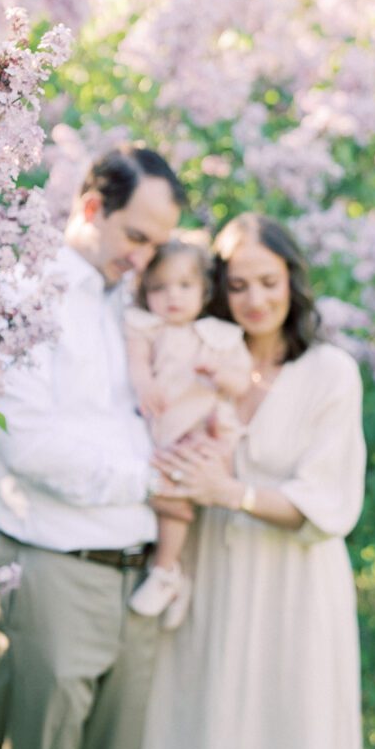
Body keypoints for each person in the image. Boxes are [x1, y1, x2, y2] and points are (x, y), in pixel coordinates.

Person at [132, 212, 368, 749]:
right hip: (209, 571)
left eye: (268, 281)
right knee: (196, 726)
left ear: (293, 279)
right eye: (237, 286)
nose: (255, 299)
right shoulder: (199, 355)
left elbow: (329, 504)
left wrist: (229, 491)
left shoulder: (330, 373)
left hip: (293, 584)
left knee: (289, 740)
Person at [0, 145, 184, 749]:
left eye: (157, 244)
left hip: (136, 584)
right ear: (92, 208)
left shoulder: (128, 306)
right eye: (136, 237)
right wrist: (152, 481)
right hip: (53, 576)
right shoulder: (21, 290)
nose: (145, 258)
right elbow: (28, 443)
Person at [125, 239, 251, 627]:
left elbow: (242, 382)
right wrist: (145, 385)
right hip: (160, 427)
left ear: (204, 291)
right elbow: (138, 366)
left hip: (200, 428)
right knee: (156, 494)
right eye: (159, 288)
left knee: (175, 493)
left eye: (184, 286)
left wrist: (219, 374)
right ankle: (174, 578)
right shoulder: (146, 327)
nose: (172, 297)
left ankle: (165, 572)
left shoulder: (217, 336)